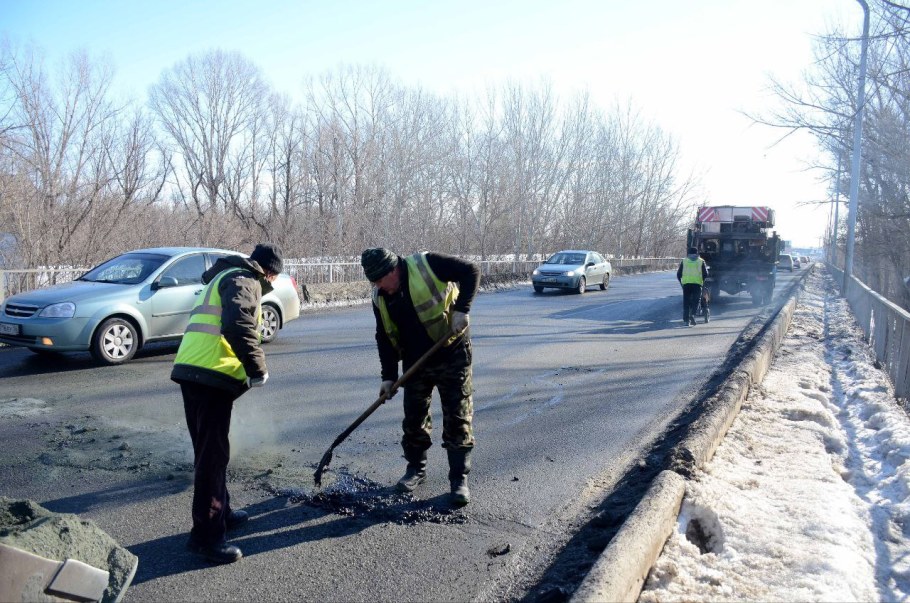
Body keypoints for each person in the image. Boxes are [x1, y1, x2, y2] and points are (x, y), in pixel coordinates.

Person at [171, 243, 283, 564]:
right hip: (210, 375)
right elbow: (238, 324)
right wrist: (256, 368)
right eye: (273, 277)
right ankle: (206, 537)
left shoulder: (224, 276)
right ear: (268, 271)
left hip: (194, 370)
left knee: (210, 450)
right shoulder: (243, 280)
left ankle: (223, 511)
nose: (271, 284)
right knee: (212, 455)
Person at [361, 248, 480, 506]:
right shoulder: (379, 296)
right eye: (375, 283)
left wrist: (462, 310)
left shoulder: (428, 265)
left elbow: (471, 271)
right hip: (416, 362)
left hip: (451, 352)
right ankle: (416, 470)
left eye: (382, 280)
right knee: (414, 418)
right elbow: (384, 337)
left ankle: (459, 480)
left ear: (393, 270)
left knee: (458, 417)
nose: (381, 287)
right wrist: (388, 377)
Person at [677, 246, 708, 327]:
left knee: (686, 302)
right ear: (697, 253)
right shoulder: (701, 261)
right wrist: (702, 281)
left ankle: (686, 320)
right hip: (697, 284)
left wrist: (682, 283)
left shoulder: (684, 261)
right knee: (696, 301)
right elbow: (706, 274)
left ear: (689, 253)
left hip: (686, 285)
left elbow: (678, 274)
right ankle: (693, 315)